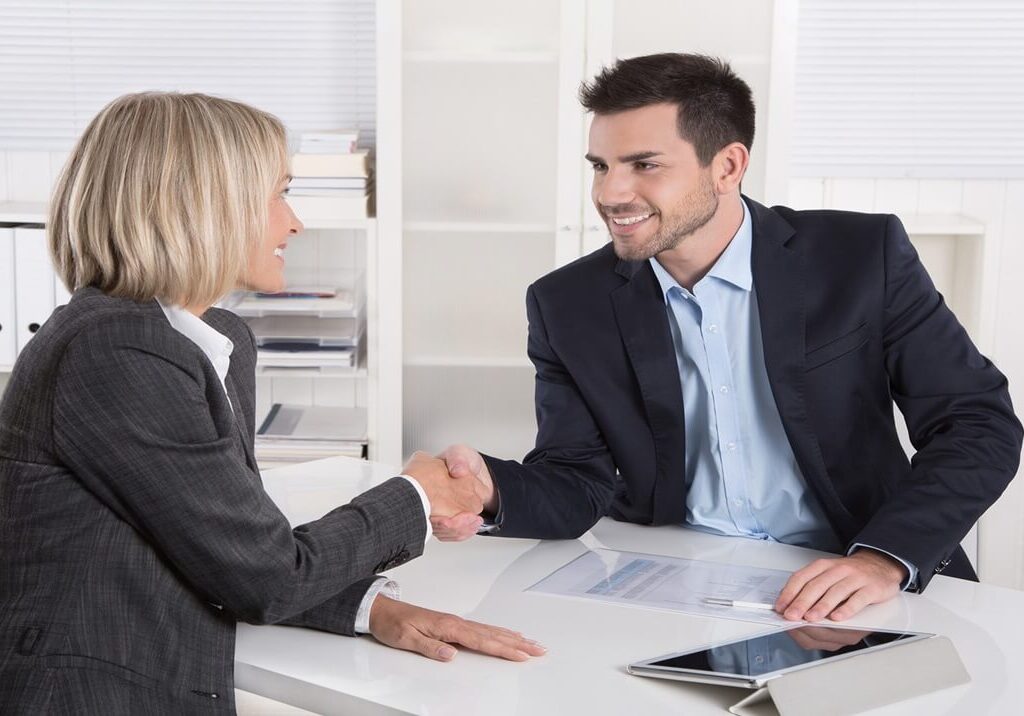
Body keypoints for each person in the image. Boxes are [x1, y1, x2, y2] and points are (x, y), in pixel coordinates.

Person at [0, 92, 543, 714]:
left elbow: (219, 550)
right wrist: (415, 495)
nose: (294, 222)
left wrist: (372, 608)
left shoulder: (211, 339)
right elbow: (263, 575)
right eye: (278, 195)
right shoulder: (118, 351)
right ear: (199, 208)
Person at [432, 53, 1023, 623]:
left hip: (857, 569)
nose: (610, 193)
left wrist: (883, 558)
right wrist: (494, 491)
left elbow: (976, 422)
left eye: (645, 164)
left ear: (728, 166)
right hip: (675, 580)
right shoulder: (567, 303)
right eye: (601, 165)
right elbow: (575, 477)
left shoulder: (860, 258)